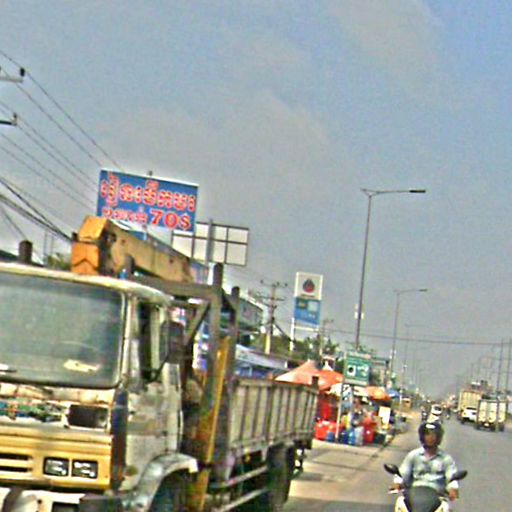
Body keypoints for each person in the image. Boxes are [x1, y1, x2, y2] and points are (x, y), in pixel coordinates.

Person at [391, 421, 460, 502]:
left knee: (445, 507)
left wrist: (453, 489)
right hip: (414, 496)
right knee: (400, 503)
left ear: (439, 438)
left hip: (437, 498)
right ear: (422, 437)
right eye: (427, 434)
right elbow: (403, 472)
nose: (430, 437)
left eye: (434, 435)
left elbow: (451, 476)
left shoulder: (446, 459)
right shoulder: (413, 455)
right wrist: (397, 483)